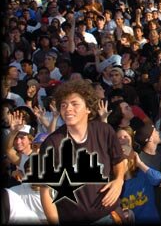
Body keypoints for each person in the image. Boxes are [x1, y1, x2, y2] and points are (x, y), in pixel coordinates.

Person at [39, 80, 127, 224]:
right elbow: (46, 193)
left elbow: (119, 160)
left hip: (109, 216)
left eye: (74, 104)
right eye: (64, 105)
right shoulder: (52, 143)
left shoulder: (104, 131)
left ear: (88, 108)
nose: (68, 109)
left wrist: (119, 180)